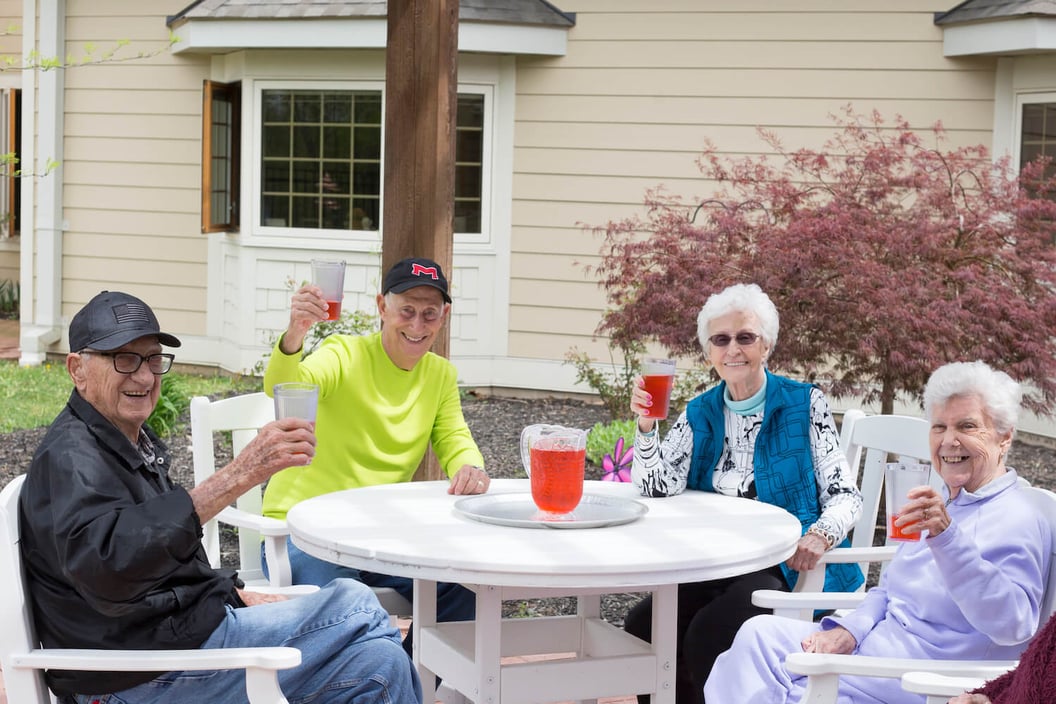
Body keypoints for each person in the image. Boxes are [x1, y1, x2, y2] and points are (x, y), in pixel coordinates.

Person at [18, 290, 421, 704]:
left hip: (174, 642)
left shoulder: (123, 439)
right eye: (124, 359)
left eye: (153, 359)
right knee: (356, 606)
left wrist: (234, 594)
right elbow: (110, 566)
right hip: (135, 674)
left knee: (381, 661)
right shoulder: (72, 458)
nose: (143, 377)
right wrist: (241, 473)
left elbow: (162, 563)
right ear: (76, 369)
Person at [704, 360, 1053, 704]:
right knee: (758, 636)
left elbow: (1014, 625)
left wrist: (948, 540)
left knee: (777, 685)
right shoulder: (946, 501)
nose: (949, 441)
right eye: (938, 427)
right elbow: (890, 590)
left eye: (966, 426)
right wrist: (850, 630)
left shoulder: (1021, 515)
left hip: (918, 678)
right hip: (874, 648)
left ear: (1004, 437)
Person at [622, 283, 864, 704]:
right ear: (709, 353)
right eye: (721, 339)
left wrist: (820, 534)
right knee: (643, 626)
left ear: (766, 344)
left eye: (745, 337)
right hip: (711, 561)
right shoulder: (701, 411)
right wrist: (646, 426)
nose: (733, 348)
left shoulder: (803, 404)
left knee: (708, 632)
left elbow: (847, 496)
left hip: (782, 565)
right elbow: (654, 487)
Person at [261, 256, 486, 649]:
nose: (418, 326)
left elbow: (455, 437)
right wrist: (295, 333)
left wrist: (470, 467)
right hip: (301, 533)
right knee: (351, 608)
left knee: (464, 591)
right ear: (382, 307)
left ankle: (408, 683)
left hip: (378, 540)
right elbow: (284, 387)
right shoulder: (342, 354)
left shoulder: (440, 375)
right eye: (407, 311)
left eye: (430, 314)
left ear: (444, 315)